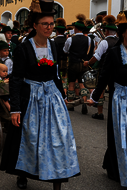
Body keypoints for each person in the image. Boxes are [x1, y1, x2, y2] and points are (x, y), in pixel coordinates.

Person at [0, 1, 80, 190]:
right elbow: (17, 79)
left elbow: (56, 74)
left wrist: (62, 95)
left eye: (51, 24)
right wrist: (15, 108)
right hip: (31, 97)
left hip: (52, 97)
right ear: (35, 25)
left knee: (58, 137)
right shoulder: (24, 48)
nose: (49, 27)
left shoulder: (53, 45)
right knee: (28, 137)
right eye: (45, 24)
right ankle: (22, 173)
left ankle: (57, 178)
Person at [87, 12, 127, 187]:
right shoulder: (114, 52)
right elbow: (104, 77)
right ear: (124, 32)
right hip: (120, 101)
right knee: (122, 139)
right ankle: (119, 170)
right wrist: (94, 97)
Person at [84, 15, 118, 120]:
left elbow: (96, 57)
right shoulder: (119, 41)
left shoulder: (104, 42)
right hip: (117, 71)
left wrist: (88, 62)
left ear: (106, 31)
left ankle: (100, 113)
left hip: (104, 69)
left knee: (101, 89)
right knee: (114, 91)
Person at [63, 14, 91, 114]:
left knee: (71, 83)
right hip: (83, 64)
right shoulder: (88, 39)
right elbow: (87, 50)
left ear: (75, 28)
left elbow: (65, 50)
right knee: (82, 84)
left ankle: (71, 104)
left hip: (73, 63)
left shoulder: (70, 39)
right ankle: (84, 102)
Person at [53, 18, 68, 94]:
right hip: (66, 61)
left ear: (57, 31)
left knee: (58, 77)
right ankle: (65, 93)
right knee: (65, 77)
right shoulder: (67, 40)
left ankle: (60, 93)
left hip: (57, 62)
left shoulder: (53, 40)